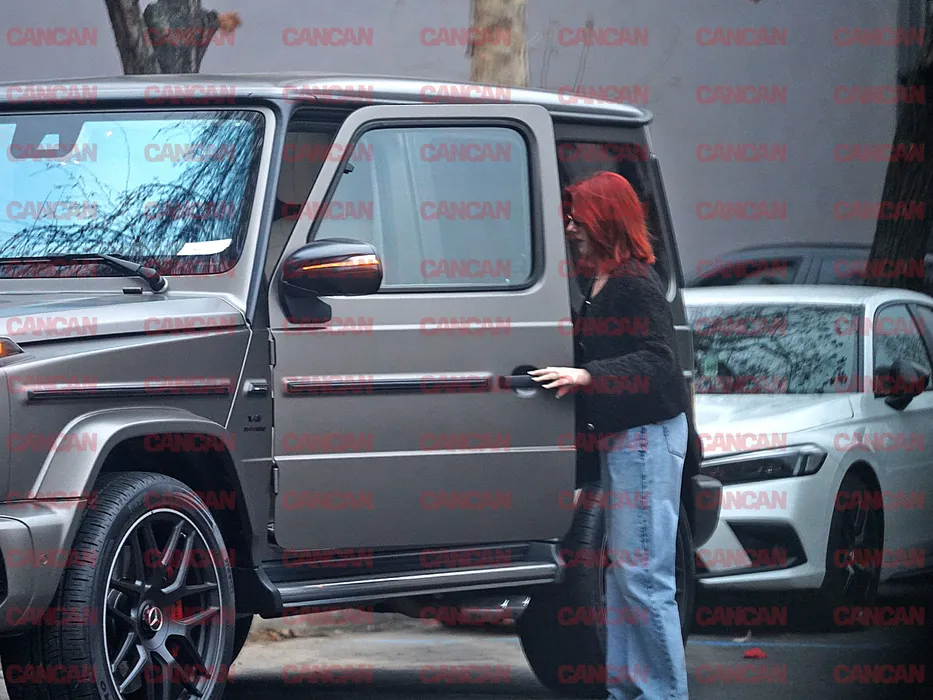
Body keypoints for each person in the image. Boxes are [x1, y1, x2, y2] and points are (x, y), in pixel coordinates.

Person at [530, 171, 692, 700]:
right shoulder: (599, 283)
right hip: (625, 440)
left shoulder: (635, 283)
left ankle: (663, 694)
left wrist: (588, 376)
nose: (570, 226)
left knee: (643, 578)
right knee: (624, 576)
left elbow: (659, 362)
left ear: (604, 220)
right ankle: (627, 690)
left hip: (646, 437)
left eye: (578, 216)